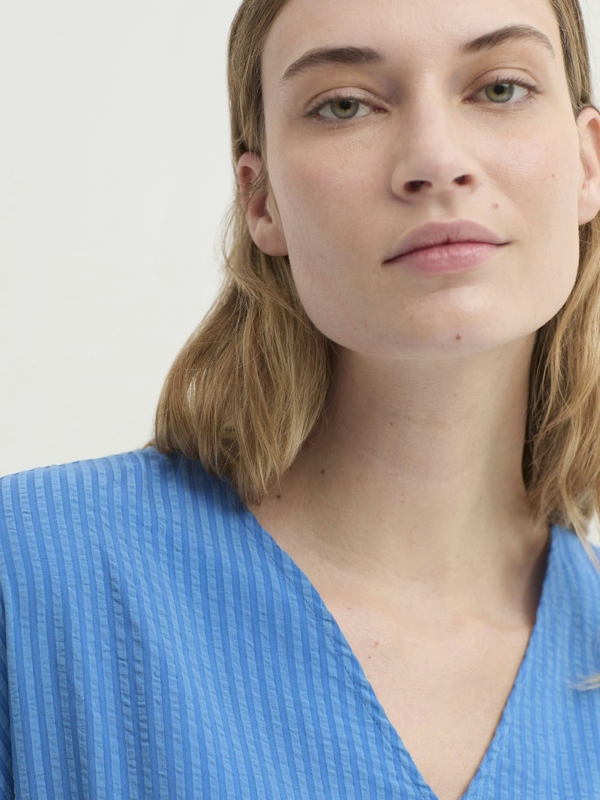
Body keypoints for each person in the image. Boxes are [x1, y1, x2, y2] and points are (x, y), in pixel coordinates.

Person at [2, 0, 600, 797]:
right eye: (345, 105)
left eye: (499, 89)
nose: (435, 158)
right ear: (262, 201)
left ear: (589, 162)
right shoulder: (28, 577)